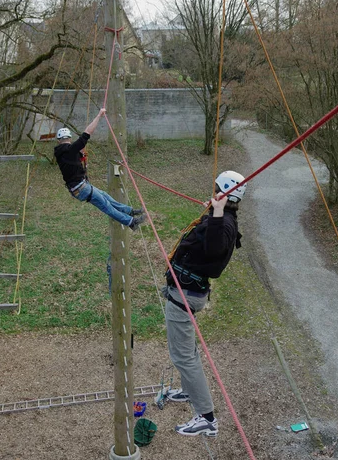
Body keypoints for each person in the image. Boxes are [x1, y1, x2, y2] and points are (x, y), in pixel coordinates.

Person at [163, 170, 246, 437]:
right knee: (187, 350)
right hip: (187, 292)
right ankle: (189, 390)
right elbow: (211, 237)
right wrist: (215, 213)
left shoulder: (224, 223)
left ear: (222, 193)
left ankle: (206, 417)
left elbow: (213, 248)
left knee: (183, 355)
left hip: (185, 296)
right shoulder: (224, 219)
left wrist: (217, 215)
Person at [54, 108, 146, 230]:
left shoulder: (63, 152)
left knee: (106, 197)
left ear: (59, 140)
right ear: (69, 138)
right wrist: (99, 115)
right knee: (107, 206)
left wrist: (81, 155)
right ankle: (131, 222)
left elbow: (74, 162)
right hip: (81, 188)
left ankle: (129, 211)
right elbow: (87, 133)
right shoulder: (70, 149)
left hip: (80, 186)